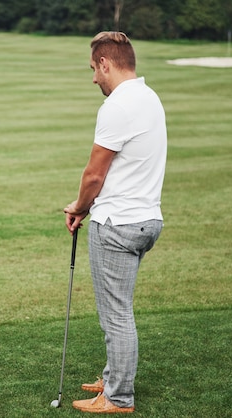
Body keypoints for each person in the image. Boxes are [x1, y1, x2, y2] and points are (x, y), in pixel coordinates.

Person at [63, 32, 167, 414]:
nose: (93, 78)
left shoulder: (117, 106)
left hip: (118, 224)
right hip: (146, 221)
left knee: (116, 314)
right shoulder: (149, 97)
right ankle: (112, 377)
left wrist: (78, 206)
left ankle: (119, 397)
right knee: (118, 308)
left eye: (94, 69)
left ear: (106, 63)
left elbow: (94, 175)